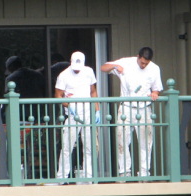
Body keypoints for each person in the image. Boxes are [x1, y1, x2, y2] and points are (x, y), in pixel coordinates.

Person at [100, 47, 163, 179]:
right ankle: (125, 172)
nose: (144, 65)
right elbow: (103, 68)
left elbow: (157, 88)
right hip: (126, 107)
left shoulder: (154, 68)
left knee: (146, 142)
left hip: (144, 107)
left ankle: (144, 173)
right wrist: (116, 66)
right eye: (142, 62)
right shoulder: (126, 63)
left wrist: (154, 93)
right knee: (121, 141)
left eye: (146, 63)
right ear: (138, 57)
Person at [55, 51, 100, 183]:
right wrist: (68, 105)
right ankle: (62, 177)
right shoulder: (63, 75)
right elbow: (58, 95)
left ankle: (88, 176)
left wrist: (97, 110)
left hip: (88, 112)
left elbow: (93, 91)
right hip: (72, 114)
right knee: (67, 146)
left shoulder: (89, 72)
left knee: (89, 146)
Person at [4, 56, 45, 122]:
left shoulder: (11, 78)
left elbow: (7, 95)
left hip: (20, 112)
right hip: (38, 110)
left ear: (11, 67)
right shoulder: (38, 75)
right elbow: (44, 91)